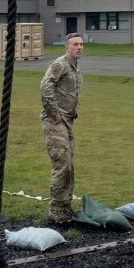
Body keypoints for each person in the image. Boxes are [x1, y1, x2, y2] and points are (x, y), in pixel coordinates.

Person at [39, 32, 84, 225]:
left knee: (69, 165)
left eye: (81, 44)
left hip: (67, 122)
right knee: (62, 164)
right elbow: (45, 86)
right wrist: (54, 112)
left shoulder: (75, 68)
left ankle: (66, 205)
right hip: (55, 121)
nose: (79, 47)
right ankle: (56, 210)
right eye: (75, 44)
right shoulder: (60, 64)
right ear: (67, 47)